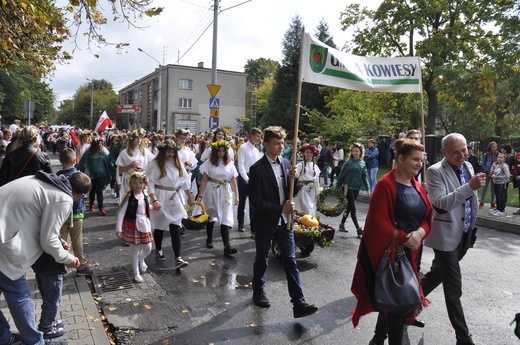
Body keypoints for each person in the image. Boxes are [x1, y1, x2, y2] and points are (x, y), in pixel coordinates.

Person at [351, 138, 433, 345]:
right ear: (401, 159)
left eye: (421, 160)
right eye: (415, 160)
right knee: (399, 306)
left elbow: (428, 215)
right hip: (392, 255)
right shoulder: (385, 185)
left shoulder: (418, 186)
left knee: (395, 301)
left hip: (411, 252)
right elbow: (378, 223)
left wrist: (421, 233)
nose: (419, 164)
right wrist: (406, 238)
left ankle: (378, 339)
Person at [0, 171, 91, 345]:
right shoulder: (63, 198)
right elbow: (47, 241)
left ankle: (4, 337)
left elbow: (35, 219)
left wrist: (57, 239)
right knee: (21, 296)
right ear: (81, 196)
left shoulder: (47, 182)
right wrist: (68, 258)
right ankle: (35, 342)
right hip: (3, 246)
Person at [421, 133, 486, 345]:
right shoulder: (434, 171)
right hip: (445, 237)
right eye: (456, 152)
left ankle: (404, 307)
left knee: (436, 276)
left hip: (464, 234)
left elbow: (468, 201)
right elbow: (440, 203)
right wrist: (470, 187)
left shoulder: (467, 166)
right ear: (444, 152)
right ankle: (463, 337)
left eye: (464, 149)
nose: (462, 155)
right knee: (453, 286)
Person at [249, 126, 318, 318]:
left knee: (290, 260)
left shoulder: (288, 164)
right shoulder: (257, 169)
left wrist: (293, 180)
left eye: (282, 143)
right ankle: (258, 290)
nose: (281, 146)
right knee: (262, 259)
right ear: (266, 145)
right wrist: (280, 208)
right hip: (265, 221)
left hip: (285, 222)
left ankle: (298, 303)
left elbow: (291, 193)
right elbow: (255, 202)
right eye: (276, 143)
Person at [144, 139, 194, 269]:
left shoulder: (178, 164)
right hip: (160, 196)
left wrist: (189, 197)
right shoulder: (155, 164)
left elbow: (185, 182)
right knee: (160, 226)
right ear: (163, 152)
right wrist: (154, 199)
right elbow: (150, 184)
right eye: (168, 152)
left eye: (172, 152)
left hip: (175, 197)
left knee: (176, 227)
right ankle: (159, 250)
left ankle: (178, 258)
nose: (170, 154)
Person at [197, 140, 239, 255]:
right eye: (219, 151)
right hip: (212, 190)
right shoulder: (210, 163)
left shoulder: (229, 163)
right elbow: (204, 180)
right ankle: (209, 238)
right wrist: (200, 195)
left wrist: (237, 195)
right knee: (211, 214)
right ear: (215, 152)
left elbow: (232, 179)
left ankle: (227, 246)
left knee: (225, 217)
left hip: (225, 191)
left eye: (223, 151)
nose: (221, 153)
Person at [57, 148, 92, 276]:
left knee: (61, 240)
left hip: (61, 214)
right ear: (75, 160)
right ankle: (81, 266)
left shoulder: (57, 176)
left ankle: (59, 264)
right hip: (76, 213)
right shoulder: (80, 175)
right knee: (77, 241)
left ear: (61, 160)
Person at [116, 172, 153, 283]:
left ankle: (141, 260)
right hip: (133, 224)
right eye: (135, 183)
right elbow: (121, 212)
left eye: (140, 182)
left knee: (148, 247)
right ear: (131, 184)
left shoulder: (145, 194)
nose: (138, 185)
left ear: (144, 184)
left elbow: (146, 206)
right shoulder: (128, 196)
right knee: (134, 249)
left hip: (145, 223)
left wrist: (154, 207)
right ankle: (136, 273)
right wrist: (118, 228)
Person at [335, 142, 370, 237]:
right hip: (348, 187)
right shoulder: (348, 162)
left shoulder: (362, 163)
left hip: (356, 188)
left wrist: (368, 189)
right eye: (353, 151)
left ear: (360, 152)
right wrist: (338, 187)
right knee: (353, 207)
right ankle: (358, 229)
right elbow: (342, 175)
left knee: (349, 207)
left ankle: (341, 224)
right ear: (351, 152)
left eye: (357, 151)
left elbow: (364, 176)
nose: (355, 153)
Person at [115, 128, 155, 204]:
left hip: (142, 180)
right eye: (137, 138)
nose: (139, 141)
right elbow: (119, 170)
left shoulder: (144, 151)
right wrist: (130, 166)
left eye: (140, 138)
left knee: (142, 200)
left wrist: (144, 169)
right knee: (130, 201)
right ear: (132, 140)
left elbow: (154, 162)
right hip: (129, 181)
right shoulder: (124, 153)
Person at [236, 128, 263, 232]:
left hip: (253, 177)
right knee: (242, 202)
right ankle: (240, 223)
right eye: (257, 136)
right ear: (251, 136)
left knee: (253, 203)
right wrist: (246, 178)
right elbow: (241, 165)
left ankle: (253, 224)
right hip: (244, 177)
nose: (259, 138)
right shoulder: (243, 147)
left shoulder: (256, 150)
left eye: (260, 136)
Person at [77, 136, 112, 215]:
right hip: (91, 175)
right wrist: (86, 172)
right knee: (92, 190)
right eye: (98, 143)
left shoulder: (104, 152)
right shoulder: (88, 153)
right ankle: (91, 204)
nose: (100, 144)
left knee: (100, 192)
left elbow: (108, 161)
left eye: (101, 143)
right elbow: (84, 163)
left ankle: (101, 208)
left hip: (101, 175)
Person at [294, 144, 321, 216]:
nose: (308, 154)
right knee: (305, 207)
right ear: (304, 153)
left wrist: (317, 192)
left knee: (312, 207)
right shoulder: (300, 165)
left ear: (313, 154)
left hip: (312, 189)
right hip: (303, 189)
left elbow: (317, 180)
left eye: (310, 152)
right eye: (307, 152)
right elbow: (295, 177)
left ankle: (311, 222)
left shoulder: (315, 166)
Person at [480, 141, 499, 209]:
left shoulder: (498, 154)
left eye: (495, 147)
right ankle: (481, 202)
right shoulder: (486, 154)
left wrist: (494, 171)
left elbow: (499, 163)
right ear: (490, 147)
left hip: (494, 174)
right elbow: (483, 164)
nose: (494, 148)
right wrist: (487, 171)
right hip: (487, 173)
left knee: (493, 189)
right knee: (484, 188)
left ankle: (492, 203)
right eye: (493, 147)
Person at [490, 153, 510, 217]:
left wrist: (498, 177)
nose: (499, 159)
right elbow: (493, 172)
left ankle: (501, 210)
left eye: (501, 158)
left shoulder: (504, 166)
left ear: (504, 159)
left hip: (501, 183)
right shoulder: (497, 165)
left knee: (500, 197)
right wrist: (492, 169)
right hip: (495, 182)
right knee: (497, 197)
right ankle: (498, 209)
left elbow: (507, 175)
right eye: (498, 157)